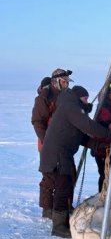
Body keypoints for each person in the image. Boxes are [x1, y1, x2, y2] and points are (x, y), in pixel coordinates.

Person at [39, 85, 111, 238]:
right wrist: (109, 134)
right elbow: (88, 126)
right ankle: (59, 226)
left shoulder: (70, 107)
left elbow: (82, 138)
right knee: (62, 187)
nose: (87, 101)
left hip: (60, 154)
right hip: (57, 154)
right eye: (85, 98)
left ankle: (62, 218)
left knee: (65, 185)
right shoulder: (70, 107)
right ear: (78, 97)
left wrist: (102, 145)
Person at [31, 68, 73, 219]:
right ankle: (48, 208)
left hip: (64, 142)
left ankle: (64, 205)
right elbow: (37, 121)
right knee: (50, 176)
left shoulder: (67, 96)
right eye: (64, 82)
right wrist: (47, 141)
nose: (67, 84)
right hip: (48, 142)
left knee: (67, 173)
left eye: (68, 82)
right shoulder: (44, 97)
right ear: (56, 81)